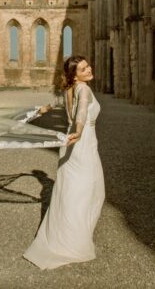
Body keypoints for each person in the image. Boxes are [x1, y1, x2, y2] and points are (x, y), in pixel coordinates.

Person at [23, 55, 105, 269]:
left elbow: (49, 106)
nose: (89, 69)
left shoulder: (67, 91)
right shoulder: (84, 90)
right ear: (74, 75)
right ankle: (74, 242)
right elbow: (82, 113)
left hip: (68, 144)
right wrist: (78, 131)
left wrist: (29, 115)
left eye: (88, 66)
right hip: (82, 143)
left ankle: (63, 237)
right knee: (87, 192)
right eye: (84, 69)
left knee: (70, 191)